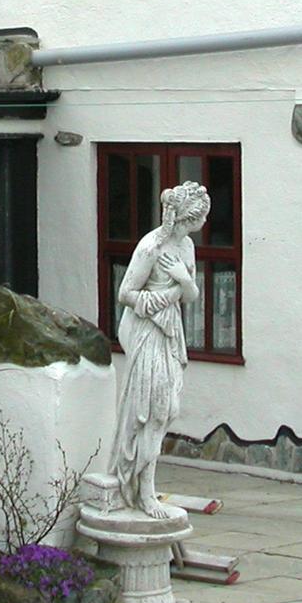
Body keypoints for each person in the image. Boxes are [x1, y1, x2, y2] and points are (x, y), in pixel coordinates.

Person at [108, 180, 210, 517]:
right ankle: (143, 492)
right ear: (187, 218)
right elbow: (125, 294)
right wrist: (166, 296)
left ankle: (144, 486)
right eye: (202, 217)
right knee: (151, 411)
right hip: (146, 331)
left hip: (170, 332)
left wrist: (183, 280)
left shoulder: (187, 247)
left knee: (168, 409)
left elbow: (191, 295)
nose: (206, 223)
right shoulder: (151, 246)